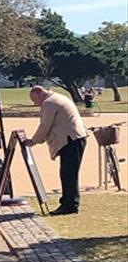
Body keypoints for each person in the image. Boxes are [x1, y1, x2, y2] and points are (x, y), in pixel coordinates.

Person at [27, 86, 88, 215]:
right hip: (75, 138)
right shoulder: (58, 97)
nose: (35, 104)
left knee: (68, 174)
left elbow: (45, 126)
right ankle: (69, 203)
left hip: (70, 140)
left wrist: (33, 141)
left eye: (35, 100)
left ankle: (69, 205)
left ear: (39, 94)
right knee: (69, 174)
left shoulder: (49, 103)